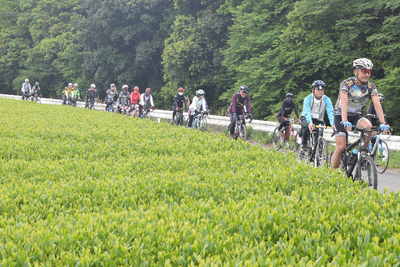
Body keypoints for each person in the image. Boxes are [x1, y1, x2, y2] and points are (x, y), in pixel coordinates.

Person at [331, 58, 389, 169]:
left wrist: (383, 122)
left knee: (369, 128)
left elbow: (377, 105)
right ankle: (330, 175)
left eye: (369, 72)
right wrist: (344, 120)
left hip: (355, 115)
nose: (367, 74)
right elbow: (344, 102)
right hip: (340, 115)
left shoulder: (371, 86)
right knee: (341, 147)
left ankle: (356, 154)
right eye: (363, 71)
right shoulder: (346, 84)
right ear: (355, 71)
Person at [300, 80, 334, 151]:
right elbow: (307, 111)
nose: (320, 91)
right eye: (318, 89)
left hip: (318, 119)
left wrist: (333, 124)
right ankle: (304, 142)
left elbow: (330, 112)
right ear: (313, 90)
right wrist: (309, 122)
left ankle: (318, 152)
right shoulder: (308, 99)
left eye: (322, 90)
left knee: (319, 136)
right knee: (306, 126)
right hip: (307, 117)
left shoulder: (327, 99)